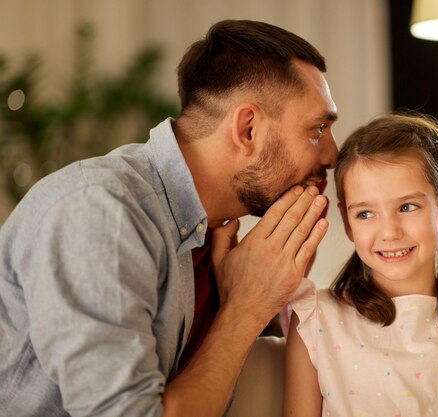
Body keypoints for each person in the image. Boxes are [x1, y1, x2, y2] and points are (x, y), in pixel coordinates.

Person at [0, 19, 338, 417]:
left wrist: (259, 300)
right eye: (318, 129)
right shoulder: (99, 213)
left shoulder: (207, 235)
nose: (332, 155)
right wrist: (245, 309)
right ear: (248, 129)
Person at [284, 114, 438, 417]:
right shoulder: (315, 321)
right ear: (347, 222)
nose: (390, 232)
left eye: (407, 207)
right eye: (366, 214)